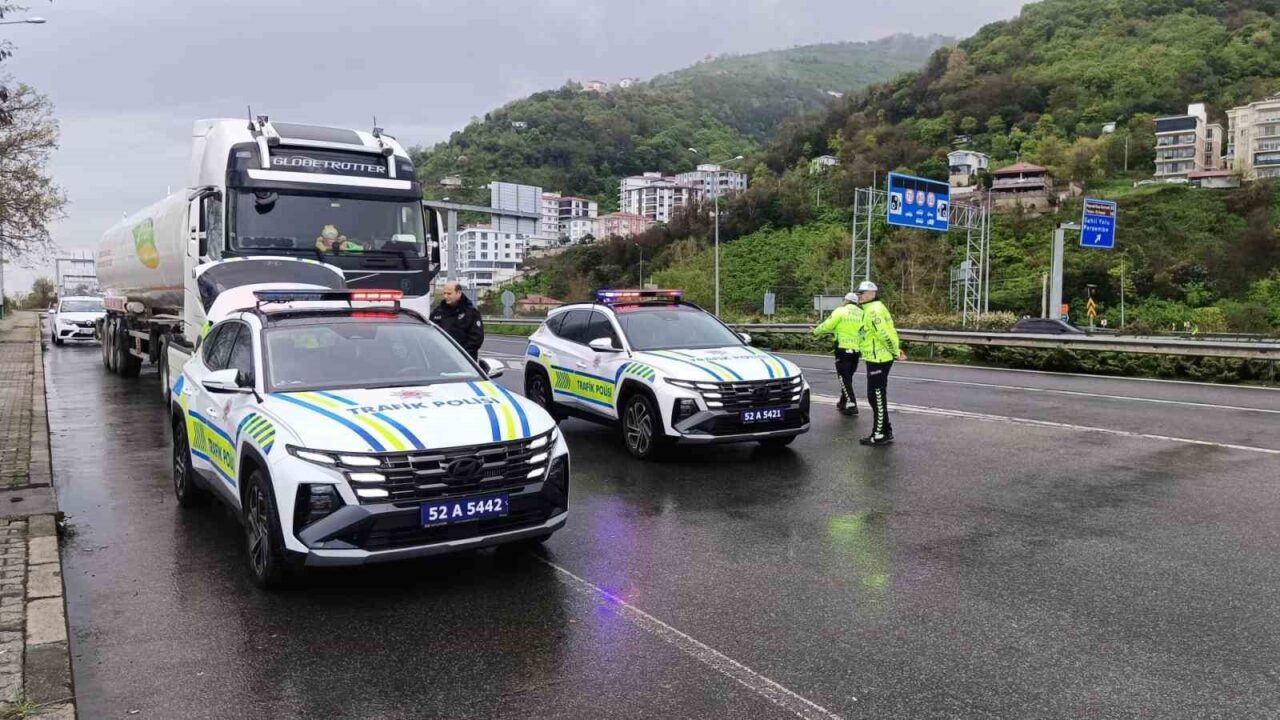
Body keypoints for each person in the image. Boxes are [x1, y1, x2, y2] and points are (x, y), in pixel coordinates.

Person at [855, 281, 904, 446]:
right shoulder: (870, 309)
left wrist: (896, 352)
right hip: (874, 357)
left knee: (876, 397)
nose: (858, 296)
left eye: (861, 293)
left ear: (871, 294)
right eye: (858, 293)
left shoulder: (874, 311)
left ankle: (879, 434)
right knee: (874, 396)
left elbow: (884, 334)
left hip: (879, 359)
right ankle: (886, 430)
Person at [812, 292, 863, 416]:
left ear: (846, 300)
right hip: (856, 350)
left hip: (843, 348)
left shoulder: (841, 311)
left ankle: (852, 405)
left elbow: (828, 325)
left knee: (843, 377)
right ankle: (842, 402)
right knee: (848, 378)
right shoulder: (862, 314)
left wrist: (815, 331)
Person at [430, 282, 484, 359]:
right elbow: (431, 335)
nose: (446, 296)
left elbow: (476, 339)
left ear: (458, 293)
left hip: (463, 361)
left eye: (449, 294)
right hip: (441, 358)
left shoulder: (471, 313)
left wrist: (460, 355)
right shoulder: (437, 312)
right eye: (444, 293)